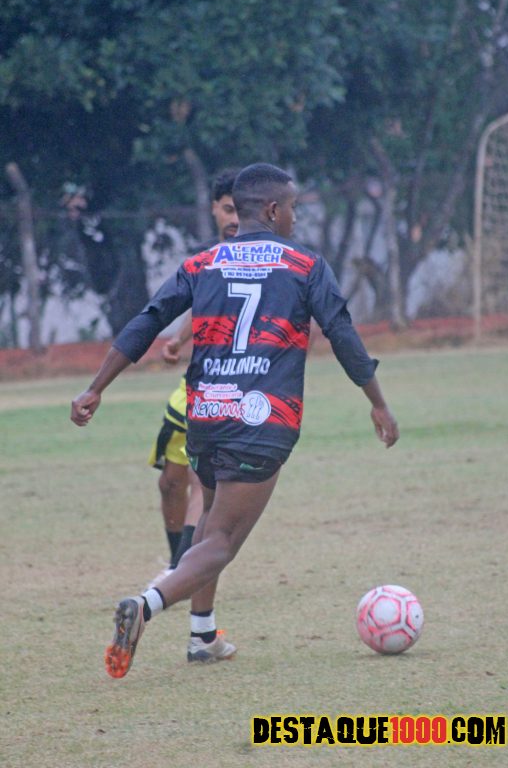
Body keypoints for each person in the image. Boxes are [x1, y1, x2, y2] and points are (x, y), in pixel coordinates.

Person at [70, 163, 399, 679]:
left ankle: (203, 636)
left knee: (208, 523)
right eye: (292, 208)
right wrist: (377, 401)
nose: (295, 218)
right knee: (222, 541)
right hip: (262, 419)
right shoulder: (305, 265)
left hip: (206, 415)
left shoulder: (203, 263)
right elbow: (342, 333)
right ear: (272, 209)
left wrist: (96, 386)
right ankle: (146, 604)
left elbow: (149, 320)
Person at [147, 169, 240, 582]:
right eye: (228, 209)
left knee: (204, 481)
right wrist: (178, 339)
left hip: (238, 386)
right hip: (197, 381)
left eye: (241, 210)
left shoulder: (266, 259)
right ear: (214, 209)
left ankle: (180, 572)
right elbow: (201, 306)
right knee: (171, 482)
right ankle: (176, 564)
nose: (235, 218)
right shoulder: (204, 260)